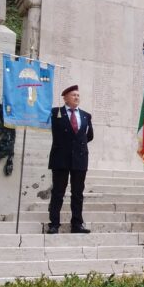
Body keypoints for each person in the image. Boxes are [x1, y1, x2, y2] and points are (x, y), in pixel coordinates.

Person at [47, 85, 93, 234]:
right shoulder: (55, 113)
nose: (76, 97)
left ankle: (77, 224)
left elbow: (89, 136)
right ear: (65, 98)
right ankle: (54, 224)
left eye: (78, 95)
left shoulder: (86, 115)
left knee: (78, 193)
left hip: (79, 159)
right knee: (58, 192)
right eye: (73, 95)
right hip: (61, 158)